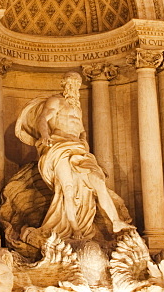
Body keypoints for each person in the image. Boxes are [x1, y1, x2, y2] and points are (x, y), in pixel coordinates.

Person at [15, 71, 131, 241]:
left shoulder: (77, 107)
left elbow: (81, 130)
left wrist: (85, 143)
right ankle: (74, 228)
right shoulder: (55, 101)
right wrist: (45, 135)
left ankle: (116, 221)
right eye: (70, 83)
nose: (73, 87)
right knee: (67, 189)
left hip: (79, 149)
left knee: (98, 181)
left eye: (76, 84)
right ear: (64, 84)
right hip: (59, 147)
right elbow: (42, 119)